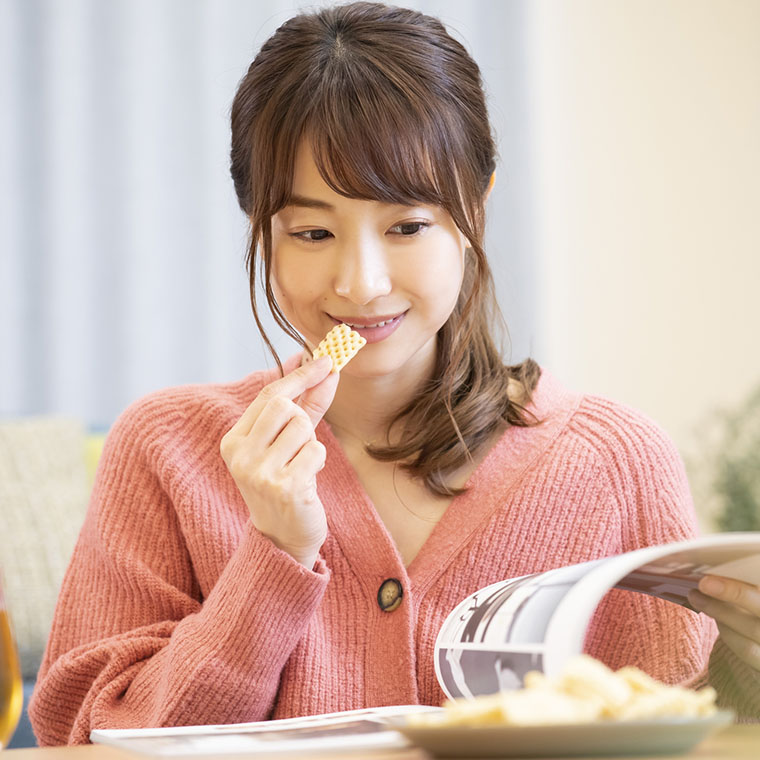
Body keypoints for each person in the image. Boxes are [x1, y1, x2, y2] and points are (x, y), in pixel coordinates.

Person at [29, 1, 759, 745]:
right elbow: (85, 739)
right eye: (312, 233)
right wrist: (275, 555)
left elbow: (687, 731)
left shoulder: (616, 463)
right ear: (260, 230)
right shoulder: (166, 449)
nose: (361, 284)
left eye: (407, 226)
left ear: (476, 209)